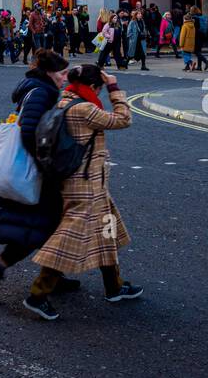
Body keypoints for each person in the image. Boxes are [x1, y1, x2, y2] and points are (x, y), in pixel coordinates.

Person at [26, 63, 141, 319]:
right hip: (84, 185)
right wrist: (114, 88)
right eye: (99, 88)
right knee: (68, 240)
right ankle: (37, 294)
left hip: (86, 182)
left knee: (105, 231)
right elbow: (123, 119)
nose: (100, 93)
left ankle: (114, 286)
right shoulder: (85, 109)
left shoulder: (63, 102)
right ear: (91, 87)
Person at [0, 51, 77, 312]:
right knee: (42, 225)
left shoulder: (37, 88)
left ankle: (52, 276)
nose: (65, 78)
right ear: (48, 71)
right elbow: (29, 129)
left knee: (48, 224)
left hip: (32, 171)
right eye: (62, 73)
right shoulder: (42, 92)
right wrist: (45, 164)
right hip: (34, 172)